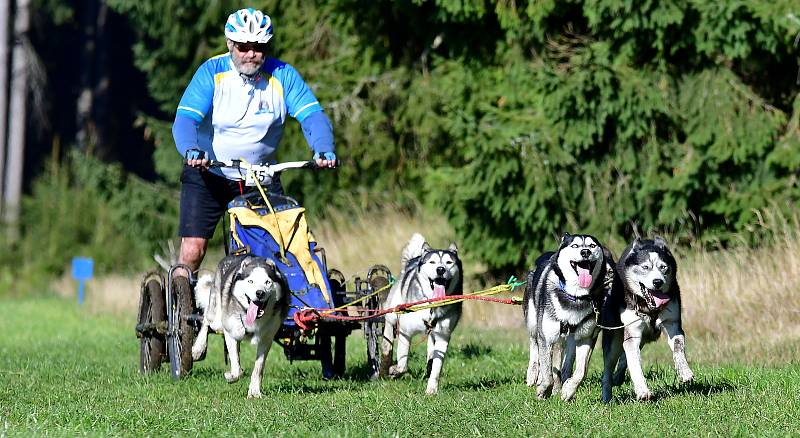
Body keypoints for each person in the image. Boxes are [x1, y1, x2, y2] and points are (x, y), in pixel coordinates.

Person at [171, 7, 337, 278]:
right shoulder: (211, 73)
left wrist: (324, 149)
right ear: (230, 45)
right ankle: (178, 305)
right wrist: (191, 149)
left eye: (258, 47)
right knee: (193, 250)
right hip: (208, 172)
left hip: (260, 177)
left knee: (276, 250)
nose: (250, 54)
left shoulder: (283, 75)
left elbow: (313, 117)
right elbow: (185, 120)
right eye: (243, 47)